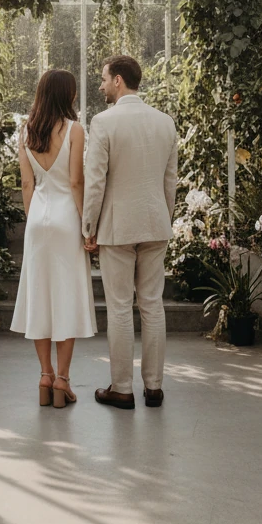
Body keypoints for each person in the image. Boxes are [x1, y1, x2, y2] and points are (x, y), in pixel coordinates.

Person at [82, 54, 177, 411]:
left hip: (117, 227)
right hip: (155, 224)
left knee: (120, 307)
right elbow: (171, 181)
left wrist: (88, 226)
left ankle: (121, 388)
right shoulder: (165, 123)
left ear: (119, 80)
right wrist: (163, 219)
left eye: (105, 79)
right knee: (152, 305)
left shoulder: (103, 123)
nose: (102, 85)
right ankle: (154, 387)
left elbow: (96, 183)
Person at [11, 68, 96, 407]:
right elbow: (77, 183)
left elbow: (27, 185)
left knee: (40, 298)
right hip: (65, 219)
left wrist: (35, 222)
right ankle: (63, 380)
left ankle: (44, 375)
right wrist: (87, 226)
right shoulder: (75, 130)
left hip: (38, 222)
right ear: (68, 95)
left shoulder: (26, 132)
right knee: (66, 298)